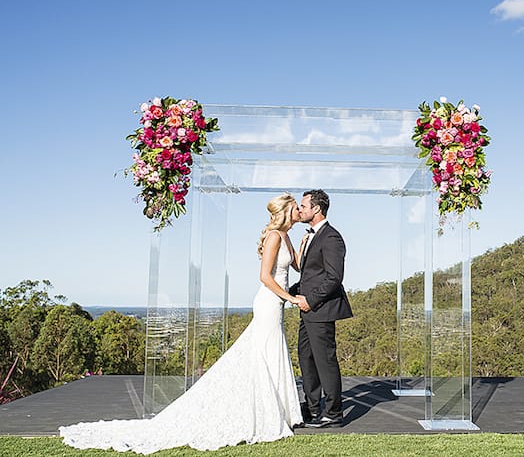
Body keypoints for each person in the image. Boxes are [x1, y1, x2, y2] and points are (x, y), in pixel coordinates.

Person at [59, 194, 304, 453]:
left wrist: (304, 240)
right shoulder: (275, 236)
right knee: (264, 354)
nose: (300, 210)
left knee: (270, 353)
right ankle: (265, 414)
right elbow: (265, 276)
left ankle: (277, 412)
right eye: (297, 207)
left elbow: (297, 265)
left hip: (276, 304)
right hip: (268, 302)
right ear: (287, 210)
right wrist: (290, 298)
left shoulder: (286, 236)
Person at [290, 189, 353, 428]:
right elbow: (311, 276)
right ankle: (314, 409)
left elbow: (333, 277)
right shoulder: (312, 236)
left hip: (321, 309)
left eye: (304, 206)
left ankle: (334, 413)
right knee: (306, 359)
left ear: (316, 209)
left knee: (325, 362)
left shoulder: (331, 237)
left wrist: (310, 300)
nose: (300, 210)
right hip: (307, 311)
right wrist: (288, 291)